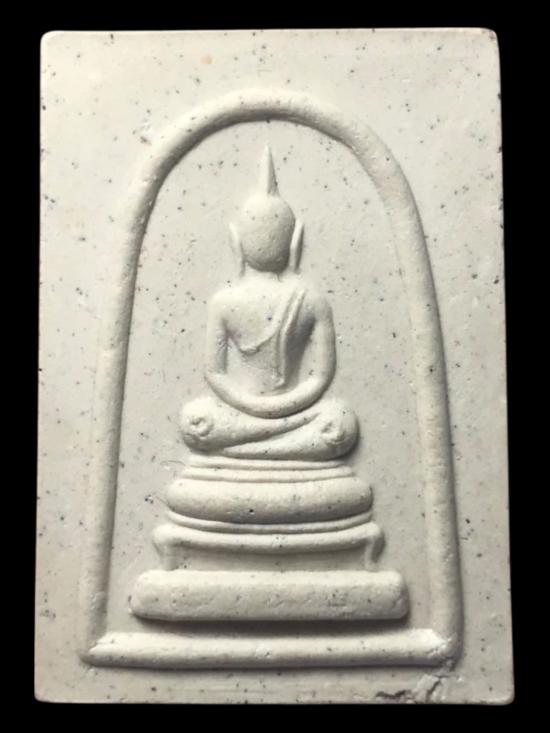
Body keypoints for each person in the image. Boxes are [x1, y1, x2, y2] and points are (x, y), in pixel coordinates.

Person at [180, 147, 358, 460]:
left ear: (235, 242)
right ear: (296, 241)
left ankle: (242, 450)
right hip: (291, 418)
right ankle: (282, 448)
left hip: (248, 419)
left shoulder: (225, 302)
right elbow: (319, 378)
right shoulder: (311, 299)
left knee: (199, 423)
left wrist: (258, 408)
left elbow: (215, 373)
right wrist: (276, 409)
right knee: (335, 424)